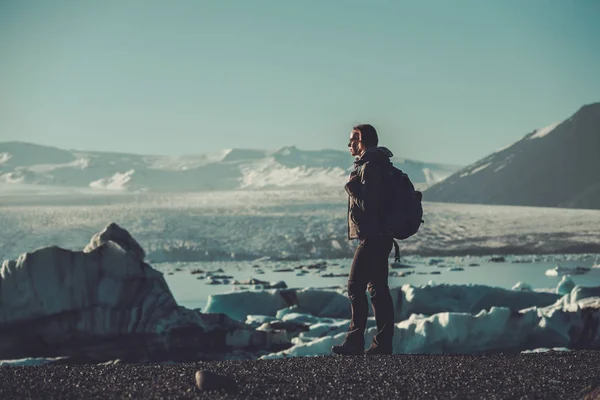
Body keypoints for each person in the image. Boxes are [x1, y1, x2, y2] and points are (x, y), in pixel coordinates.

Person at [331, 123, 395, 356]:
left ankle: (355, 341)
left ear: (362, 141)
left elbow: (369, 204)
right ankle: (382, 344)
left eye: (352, 140)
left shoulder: (370, 166)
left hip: (372, 237)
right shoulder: (378, 164)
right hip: (381, 236)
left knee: (355, 287)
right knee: (378, 290)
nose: (349, 145)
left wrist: (351, 188)